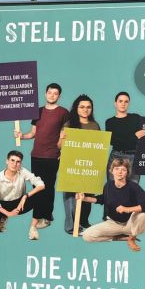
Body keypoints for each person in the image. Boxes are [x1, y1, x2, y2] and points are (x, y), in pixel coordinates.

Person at [14, 83, 68, 229]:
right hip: (36, 155)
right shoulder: (37, 111)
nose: (52, 95)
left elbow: (65, 136)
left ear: (59, 96)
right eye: (49, 92)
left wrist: (62, 151)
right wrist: (21, 135)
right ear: (45, 94)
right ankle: (38, 216)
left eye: (55, 93)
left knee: (48, 188)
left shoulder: (63, 112)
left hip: (52, 156)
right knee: (37, 187)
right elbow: (33, 133)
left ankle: (46, 217)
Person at [78, 158, 145, 252]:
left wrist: (127, 209)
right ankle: (119, 238)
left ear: (127, 173)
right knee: (87, 236)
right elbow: (101, 199)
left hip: (130, 225)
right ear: (112, 171)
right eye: (117, 169)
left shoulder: (133, 187)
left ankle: (132, 238)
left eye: (123, 170)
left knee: (143, 215)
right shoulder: (108, 185)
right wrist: (84, 198)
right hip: (113, 224)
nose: (120, 172)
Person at [58, 94, 101, 235]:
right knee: (71, 196)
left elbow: (99, 146)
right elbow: (60, 147)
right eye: (82, 107)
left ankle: (83, 222)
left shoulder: (95, 125)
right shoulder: (69, 124)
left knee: (87, 194)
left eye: (88, 107)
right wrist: (61, 138)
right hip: (71, 165)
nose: (85, 109)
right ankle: (71, 227)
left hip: (89, 165)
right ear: (76, 108)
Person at [0, 150, 45, 239]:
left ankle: (33, 228)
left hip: (20, 204)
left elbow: (41, 184)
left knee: (41, 194)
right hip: (5, 204)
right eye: (12, 160)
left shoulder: (22, 171)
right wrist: (8, 213)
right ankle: (3, 217)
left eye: (18, 162)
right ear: (7, 161)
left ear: (20, 163)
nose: (15, 164)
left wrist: (25, 196)